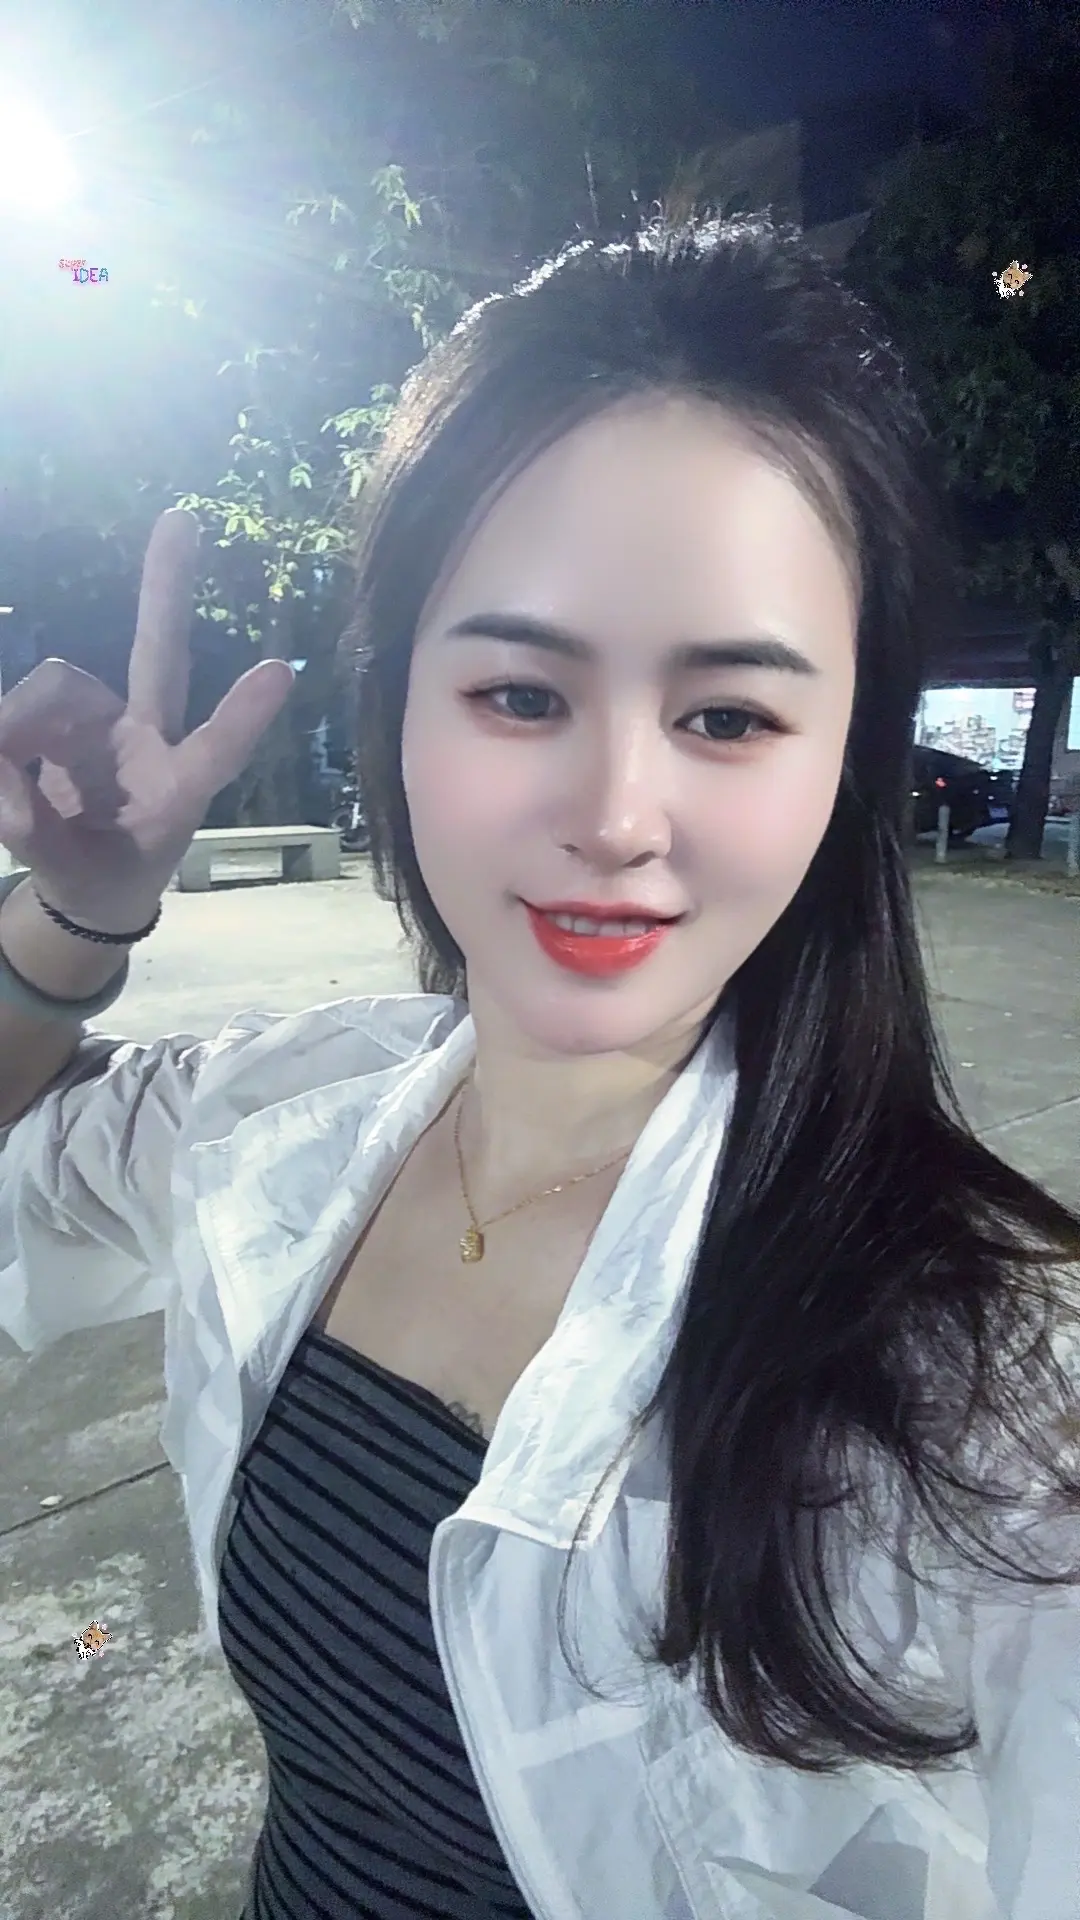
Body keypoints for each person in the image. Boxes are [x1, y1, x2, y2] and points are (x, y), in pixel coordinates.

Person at [1, 214, 1079, 1920]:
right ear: (396, 711)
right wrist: (70, 918)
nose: (617, 817)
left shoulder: (1001, 1404)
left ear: (845, 763)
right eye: (519, 694)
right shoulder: (284, 1116)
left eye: (727, 716)